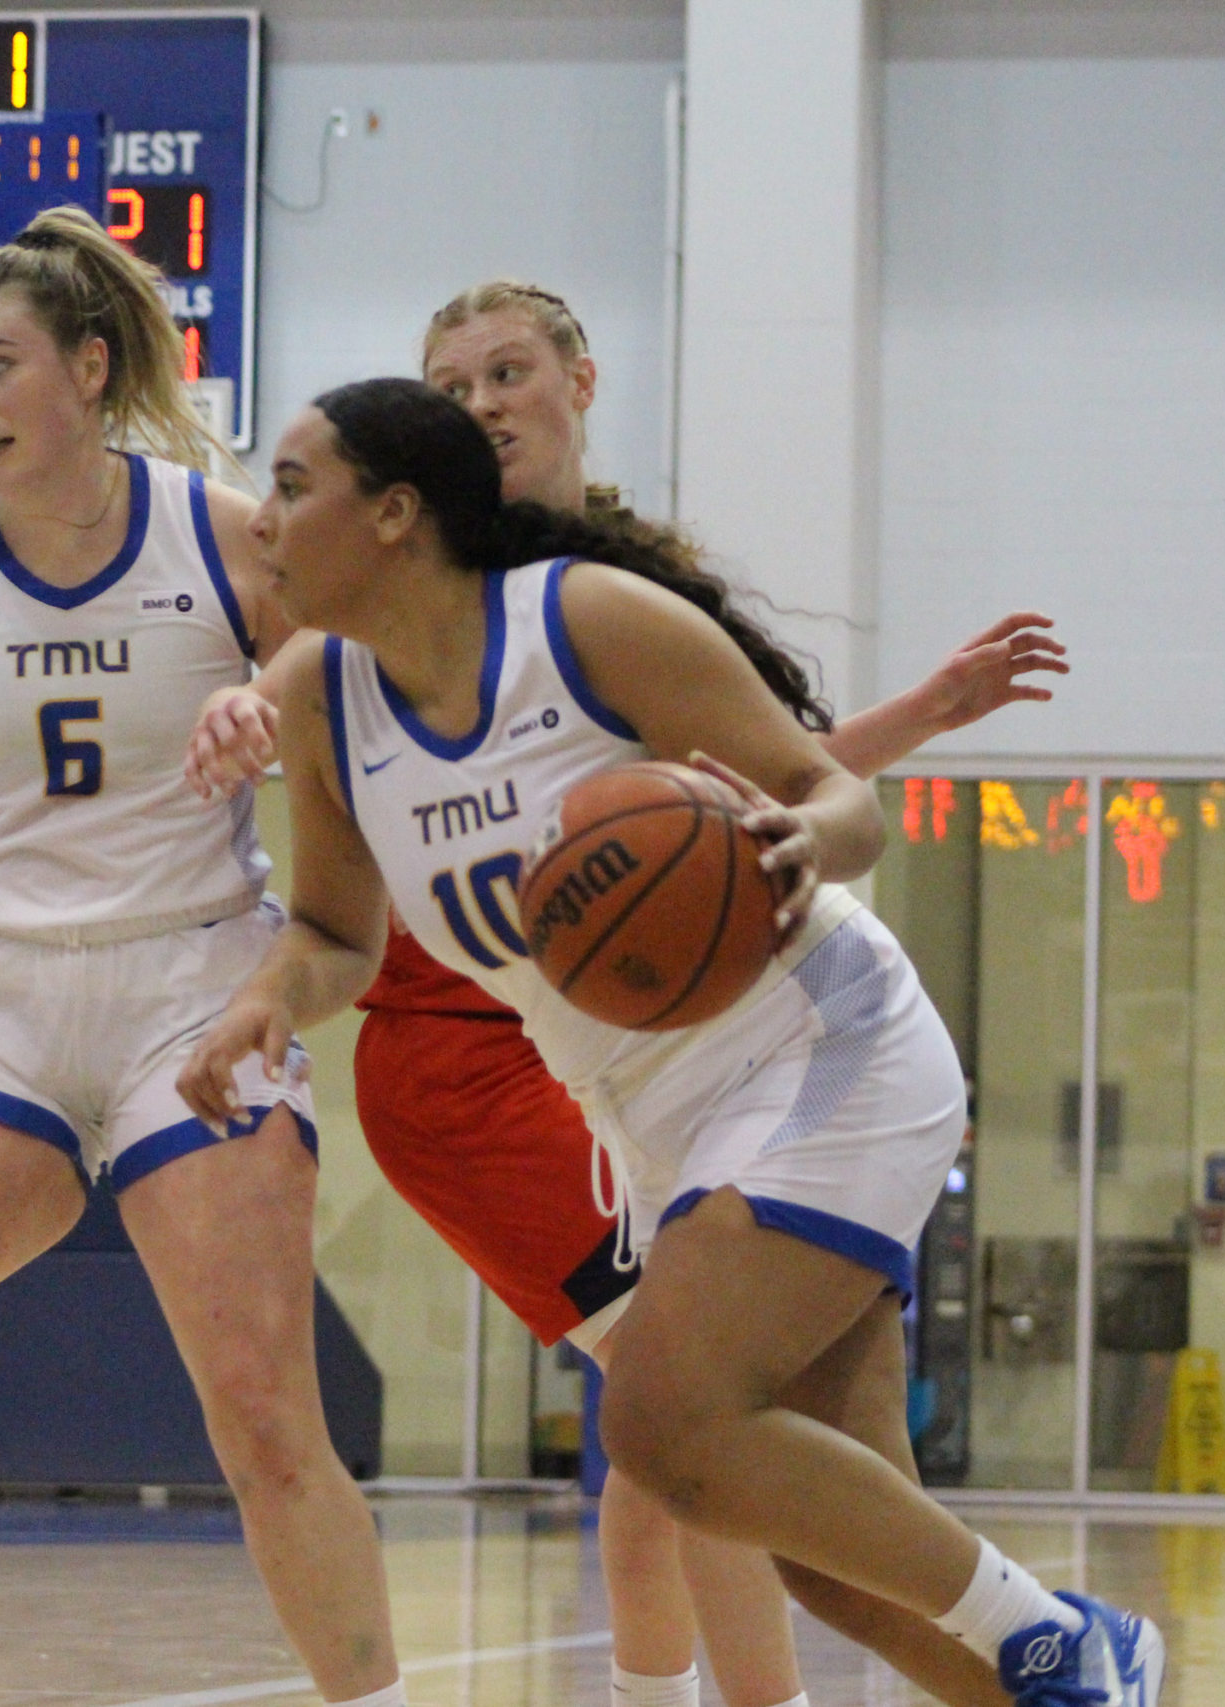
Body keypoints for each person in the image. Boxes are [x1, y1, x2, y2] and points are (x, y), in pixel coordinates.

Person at [180, 379, 1162, 1707]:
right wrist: (262, 1000)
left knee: (659, 1417)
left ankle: (1061, 1627)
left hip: (822, 1046)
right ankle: (1078, 1680)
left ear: (397, 513)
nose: (265, 522)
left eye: (294, 486)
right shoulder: (319, 695)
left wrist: (814, 842)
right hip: (649, 1117)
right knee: (830, 1558)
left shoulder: (583, 622)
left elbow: (834, 790)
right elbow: (336, 935)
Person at [0, 206, 410, 1707]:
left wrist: (277, 688)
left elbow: (372, 654)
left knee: (261, 1416)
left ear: (89, 363)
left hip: (196, 981)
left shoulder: (228, 531)